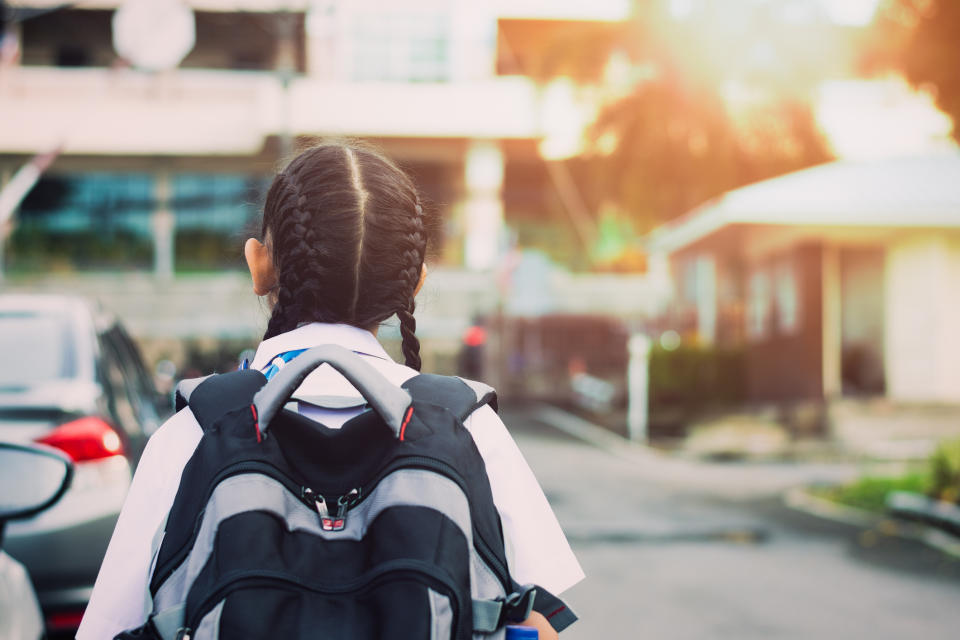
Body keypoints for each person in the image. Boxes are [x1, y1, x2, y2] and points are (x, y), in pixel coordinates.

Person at [76, 141, 583, 640]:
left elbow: (112, 626)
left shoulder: (196, 429)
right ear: (416, 284)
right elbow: (535, 622)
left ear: (259, 265)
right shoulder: (467, 425)